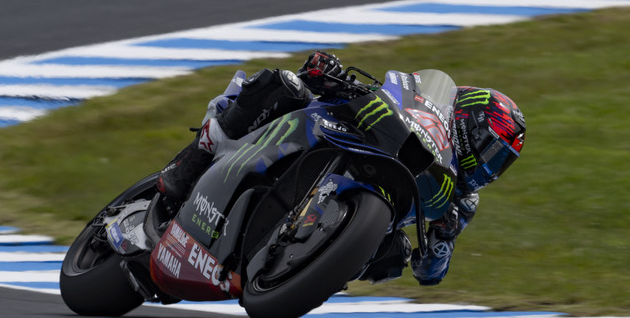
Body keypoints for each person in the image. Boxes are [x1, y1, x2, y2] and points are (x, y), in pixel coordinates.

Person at [156, 50, 525, 286]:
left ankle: (310, 265)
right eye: (492, 152)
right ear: (467, 124)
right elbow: (380, 92)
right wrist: (327, 73)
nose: (491, 167)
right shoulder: (424, 112)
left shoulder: (461, 202)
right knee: (286, 85)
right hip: (338, 132)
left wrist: (442, 241)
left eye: (501, 162)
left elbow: (429, 274)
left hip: (363, 221)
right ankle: (198, 154)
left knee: (395, 253)